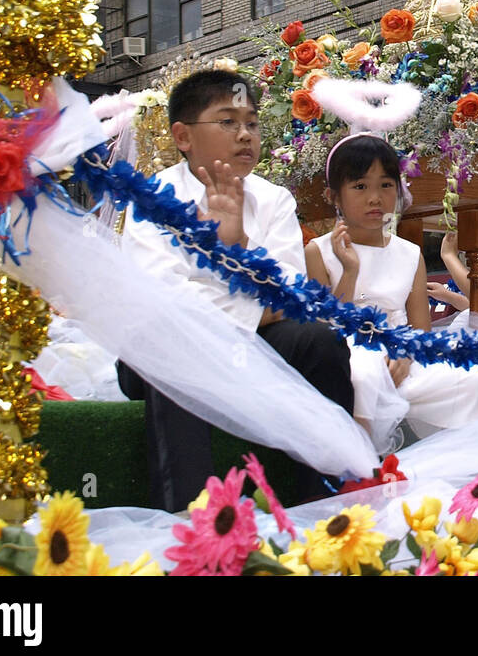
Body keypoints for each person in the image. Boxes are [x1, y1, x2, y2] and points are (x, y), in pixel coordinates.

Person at [118, 69, 355, 511]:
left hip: (253, 345)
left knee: (320, 341)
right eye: (228, 122)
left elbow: (289, 295)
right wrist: (251, 308)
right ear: (183, 136)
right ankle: (191, 521)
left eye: (252, 123)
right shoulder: (153, 198)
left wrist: (239, 248)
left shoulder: (273, 200)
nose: (245, 135)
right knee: (176, 342)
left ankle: (324, 503)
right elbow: (162, 301)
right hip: (165, 347)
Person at [306, 134, 478, 449]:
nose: (375, 198)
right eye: (360, 186)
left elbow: (421, 331)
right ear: (334, 196)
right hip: (347, 355)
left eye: (386, 185)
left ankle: (461, 466)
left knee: (470, 379)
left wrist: (405, 354)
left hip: (400, 357)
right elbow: (323, 330)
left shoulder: (409, 253)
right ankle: (360, 472)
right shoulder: (317, 251)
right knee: (363, 375)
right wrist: (349, 271)